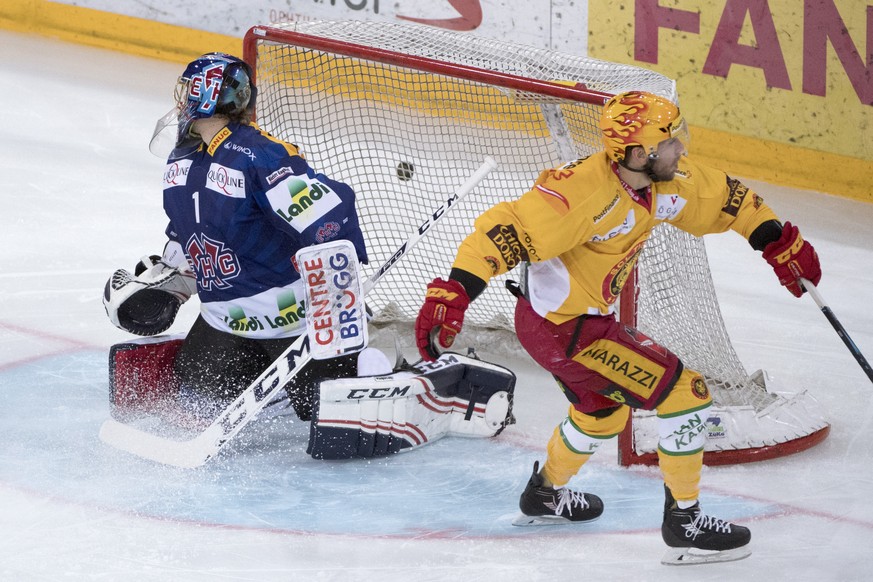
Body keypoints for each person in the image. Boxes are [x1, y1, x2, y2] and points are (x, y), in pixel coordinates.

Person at [413, 90, 822, 563]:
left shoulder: (663, 182)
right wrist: (455, 292)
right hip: (564, 328)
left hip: (566, 323)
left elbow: (730, 201)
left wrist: (777, 241)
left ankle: (544, 494)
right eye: (670, 142)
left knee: (602, 411)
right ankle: (685, 523)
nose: (681, 150)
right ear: (637, 152)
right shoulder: (579, 193)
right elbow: (502, 233)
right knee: (684, 392)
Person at [103, 52, 380, 424]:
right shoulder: (180, 161)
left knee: (321, 411)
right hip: (226, 320)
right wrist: (176, 280)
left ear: (206, 94)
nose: (181, 99)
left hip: (294, 321)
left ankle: (375, 363)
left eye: (188, 89)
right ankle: (270, 380)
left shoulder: (259, 154)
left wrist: (335, 290)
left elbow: (329, 216)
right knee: (197, 396)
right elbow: (189, 234)